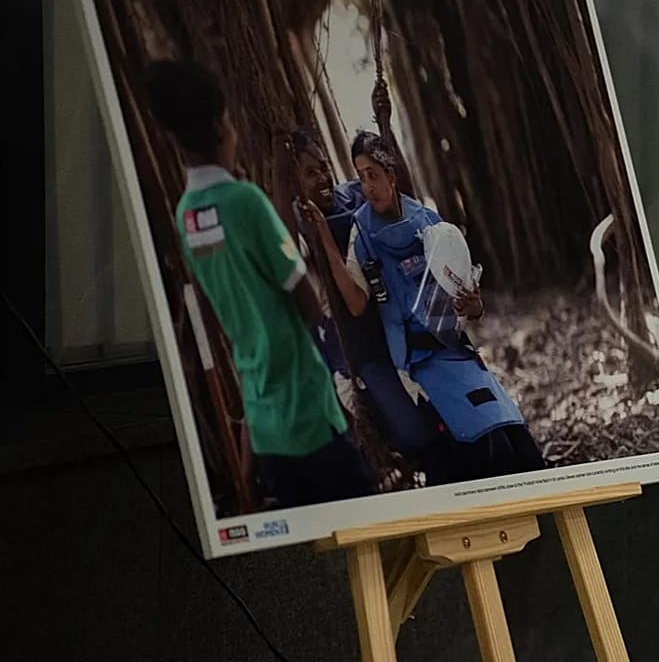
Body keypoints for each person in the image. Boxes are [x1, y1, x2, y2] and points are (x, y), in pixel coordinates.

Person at [144, 59, 372, 507]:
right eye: (229, 121)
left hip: (266, 431)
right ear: (217, 126)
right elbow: (307, 303)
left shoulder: (187, 215)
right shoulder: (245, 201)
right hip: (309, 415)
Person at [311, 130, 545, 481]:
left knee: (519, 443)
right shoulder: (362, 232)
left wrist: (475, 305)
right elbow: (357, 303)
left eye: (373, 174)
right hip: (417, 365)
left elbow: (470, 305)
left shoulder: (430, 224)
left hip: (458, 352)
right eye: (360, 176)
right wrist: (326, 243)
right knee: (485, 451)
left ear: (391, 175)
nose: (367, 185)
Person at [281, 124, 453, 486]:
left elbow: (392, 199)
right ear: (293, 185)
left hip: (394, 326)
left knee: (436, 415)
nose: (323, 178)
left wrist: (384, 122)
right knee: (406, 430)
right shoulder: (291, 230)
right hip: (353, 350)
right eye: (309, 174)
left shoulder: (356, 200)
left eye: (324, 166)